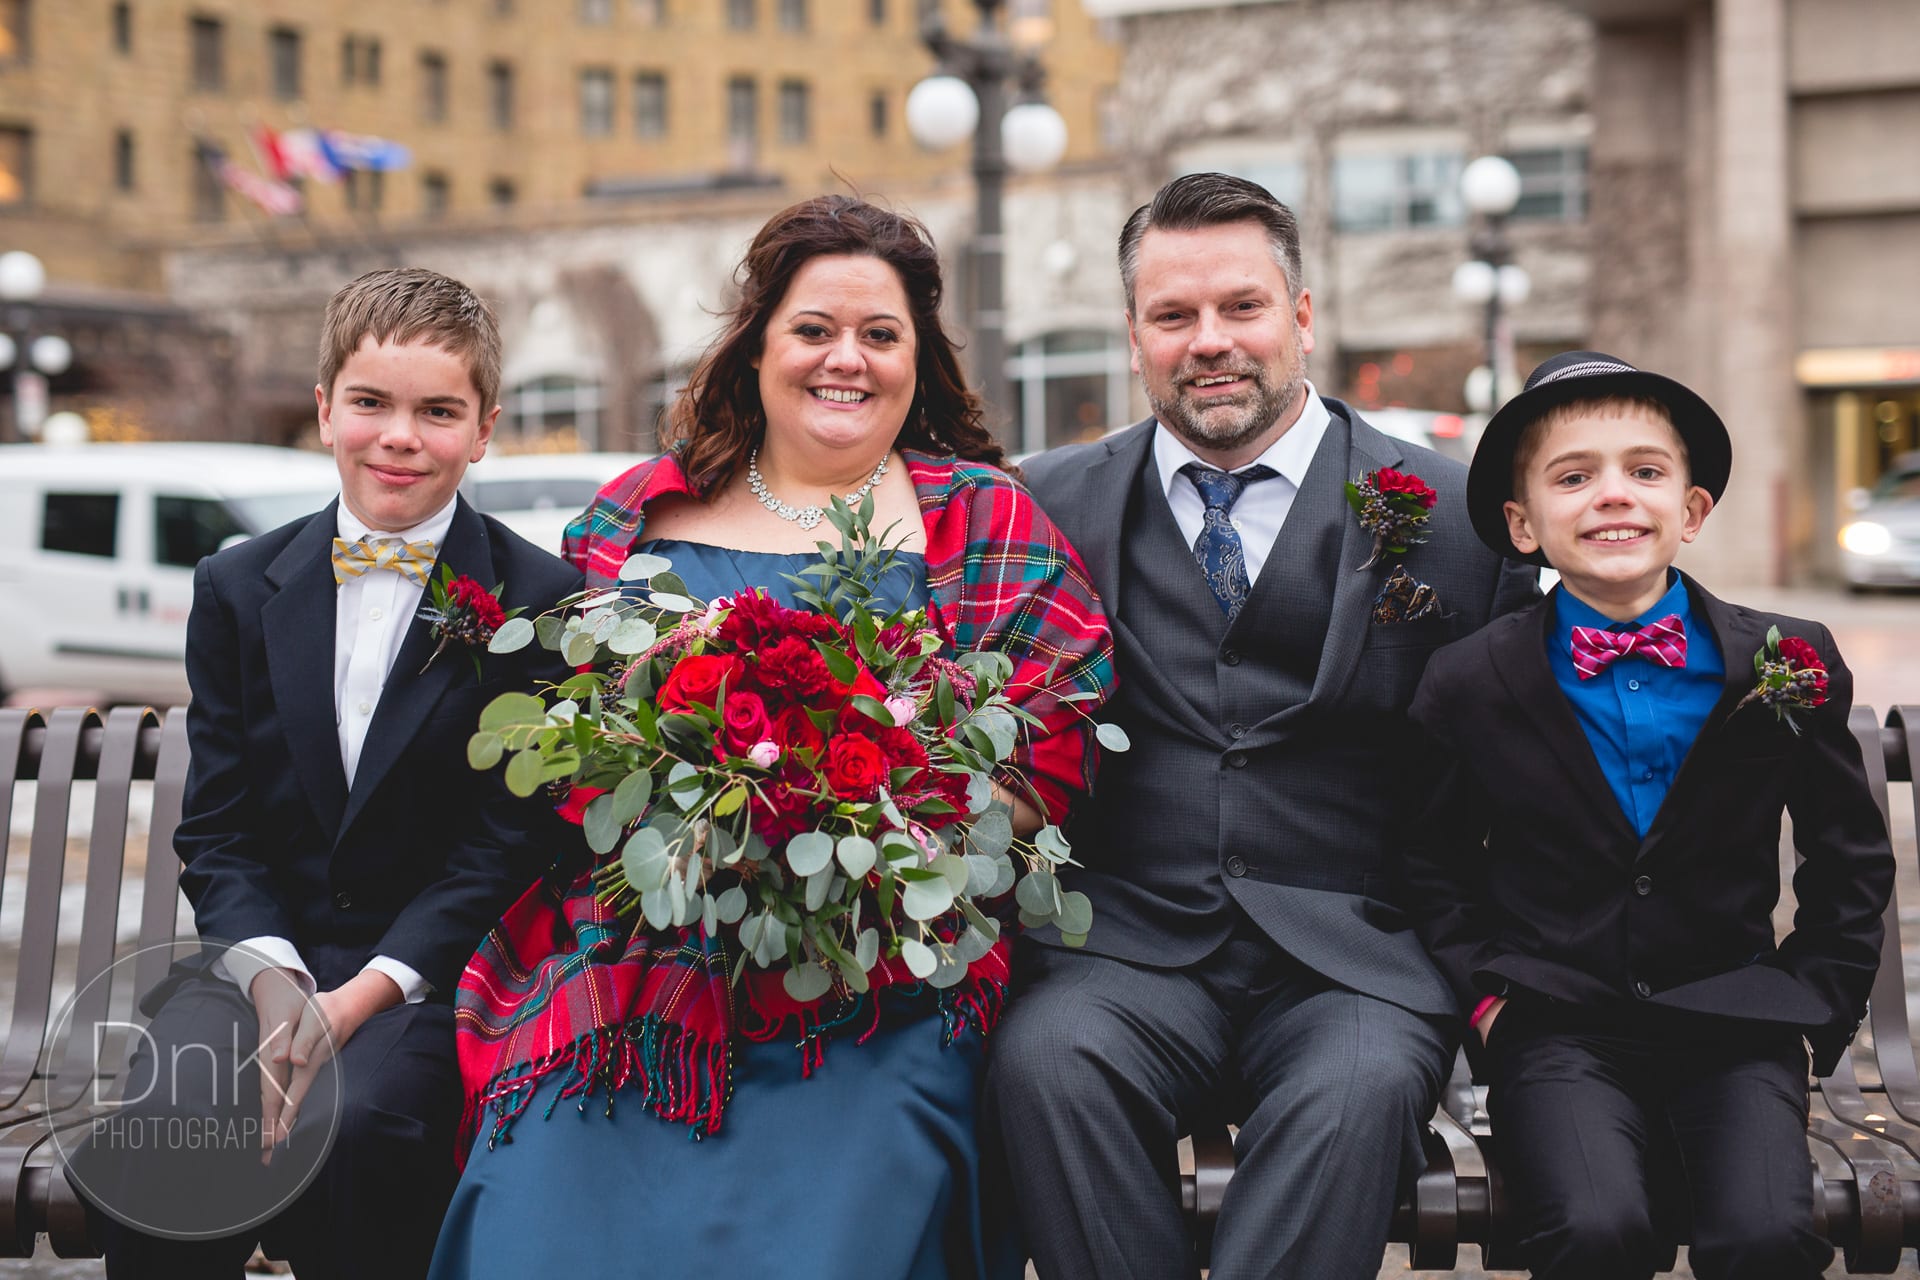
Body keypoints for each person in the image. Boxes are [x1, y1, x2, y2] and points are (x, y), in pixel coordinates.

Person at [429, 195, 1115, 1280]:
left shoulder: (980, 518)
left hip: (886, 959)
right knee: (542, 1195)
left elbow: (1046, 751)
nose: (846, 359)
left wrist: (874, 828)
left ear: (915, 360)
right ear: (756, 347)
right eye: (813, 329)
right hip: (643, 957)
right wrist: (691, 818)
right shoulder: (634, 518)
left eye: (879, 335)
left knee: (846, 1205)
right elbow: (569, 751)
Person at [988, 172, 1538, 1280]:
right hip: (1125, 949)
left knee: (1358, 1091)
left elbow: (1516, 769)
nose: (1210, 341)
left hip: (1355, 961)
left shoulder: (1462, 521)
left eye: (1241, 306)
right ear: (1134, 336)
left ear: (1302, 317)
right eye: (1173, 315)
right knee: (1042, 1063)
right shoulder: (1037, 506)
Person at [71, 268, 582, 1278]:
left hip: (425, 982)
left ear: (482, 431)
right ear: (323, 411)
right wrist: (271, 979)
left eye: (438, 410)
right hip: (255, 964)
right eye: (371, 403)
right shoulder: (235, 585)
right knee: (167, 1132)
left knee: (366, 1135)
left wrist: (360, 996)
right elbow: (215, 825)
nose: (400, 434)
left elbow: (505, 840)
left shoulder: (540, 599)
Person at [1401, 351, 1895, 1279]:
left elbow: (1849, 859)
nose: (1612, 496)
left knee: (1767, 1237)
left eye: (1645, 471)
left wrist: (1811, 1001)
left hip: (1735, 1020)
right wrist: (1490, 1003)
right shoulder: (1467, 680)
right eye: (1573, 477)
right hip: (1555, 1024)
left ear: (1693, 510)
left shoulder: (1785, 657)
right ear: (1523, 523)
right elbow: (1431, 865)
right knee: (1593, 1230)